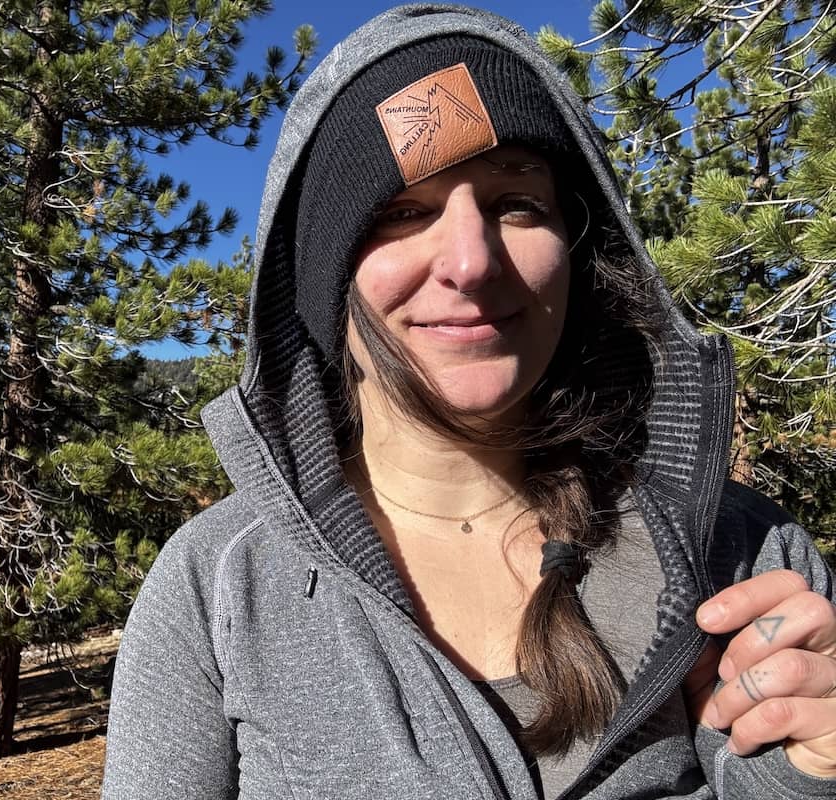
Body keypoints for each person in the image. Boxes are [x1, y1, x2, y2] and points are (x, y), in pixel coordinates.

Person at [101, 5, 836, 799]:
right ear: (327, 282)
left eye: (516, 203)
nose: (471, 261)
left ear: (579, 252)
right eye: (402, 212)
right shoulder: (217, 586)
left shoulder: (740, 555)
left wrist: (809, 772)